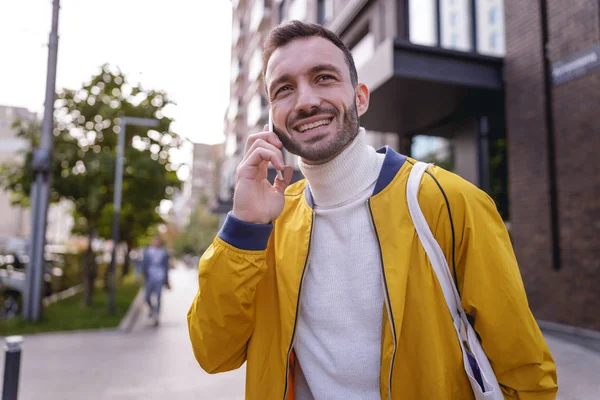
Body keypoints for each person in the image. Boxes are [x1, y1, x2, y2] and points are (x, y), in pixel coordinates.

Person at [187, 20, 558, 399]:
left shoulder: (449, 200)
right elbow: (214, 352)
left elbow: (526, 373)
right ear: (271, 118)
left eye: (324, 78)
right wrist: (244, 226)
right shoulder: (270, 222)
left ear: (361, 97)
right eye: (284, 89)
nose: (305, 101)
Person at [142, 236, 170, 323]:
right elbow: (144, 264)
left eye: (158, 241)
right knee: (146, 297)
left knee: (158, 297)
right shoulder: (147, 251)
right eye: (155, 241)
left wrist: (166, 279)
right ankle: (152, 308)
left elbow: (166, 267)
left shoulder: (163, 252)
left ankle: (156, 316)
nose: (156, 243)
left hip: (160, 277)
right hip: (149, 277)